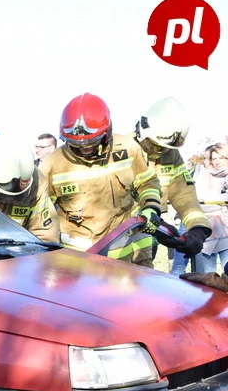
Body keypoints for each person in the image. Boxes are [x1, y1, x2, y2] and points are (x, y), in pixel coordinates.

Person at [39, 93, 163, 267]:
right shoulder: (52, 164)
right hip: (78, 263)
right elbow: (40, 210)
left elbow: (147, 182)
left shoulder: (128, 149)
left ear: (107, 132)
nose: (84, 149)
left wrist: (151, 207)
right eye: (76, 145)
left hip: (127, 257)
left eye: (91, 142)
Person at [131, 98, 210, 269]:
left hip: (144, 246)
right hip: (113, 243)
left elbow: (185, 194)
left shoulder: (171, 157)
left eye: (168, 148)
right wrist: (154, 224)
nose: (163, 152)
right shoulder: (122, 151)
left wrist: (198, 229)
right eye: (158, 146)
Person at [192, 143, 228, 272]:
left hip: (226, 231)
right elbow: (198, 197)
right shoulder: (204, 173)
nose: (217, 161)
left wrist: (213, 199)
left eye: (221, 157)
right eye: (214, 158)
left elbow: (207, 198)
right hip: (208, 229)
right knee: (208, 276)